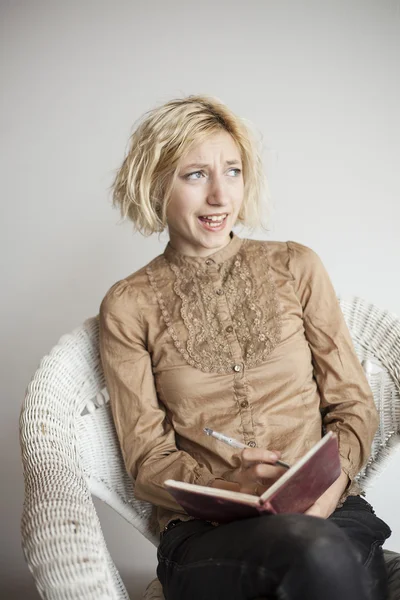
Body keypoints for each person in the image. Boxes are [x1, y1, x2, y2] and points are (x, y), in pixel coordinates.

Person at [99, 95, 391, 600]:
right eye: (195, 175)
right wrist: (232, 487)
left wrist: (325, 489)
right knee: (314, 561)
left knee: (319, 552)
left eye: (232, 171)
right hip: (209, 535)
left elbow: (353, 405)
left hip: (335, 514)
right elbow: (147, 460)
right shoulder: (128, 305)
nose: (219, 196)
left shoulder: (297, 266)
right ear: (155, 183)